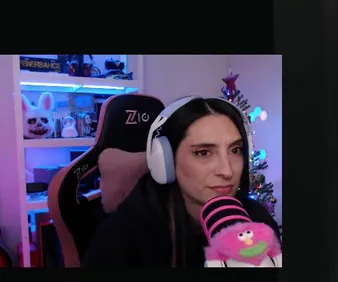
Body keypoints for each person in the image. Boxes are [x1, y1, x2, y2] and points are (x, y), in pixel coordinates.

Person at [83, 96, 280, 268]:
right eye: (203, 153)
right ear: (166, 161)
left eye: (235, 150)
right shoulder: (123, 236)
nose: (227, 171)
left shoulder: (257, 220)